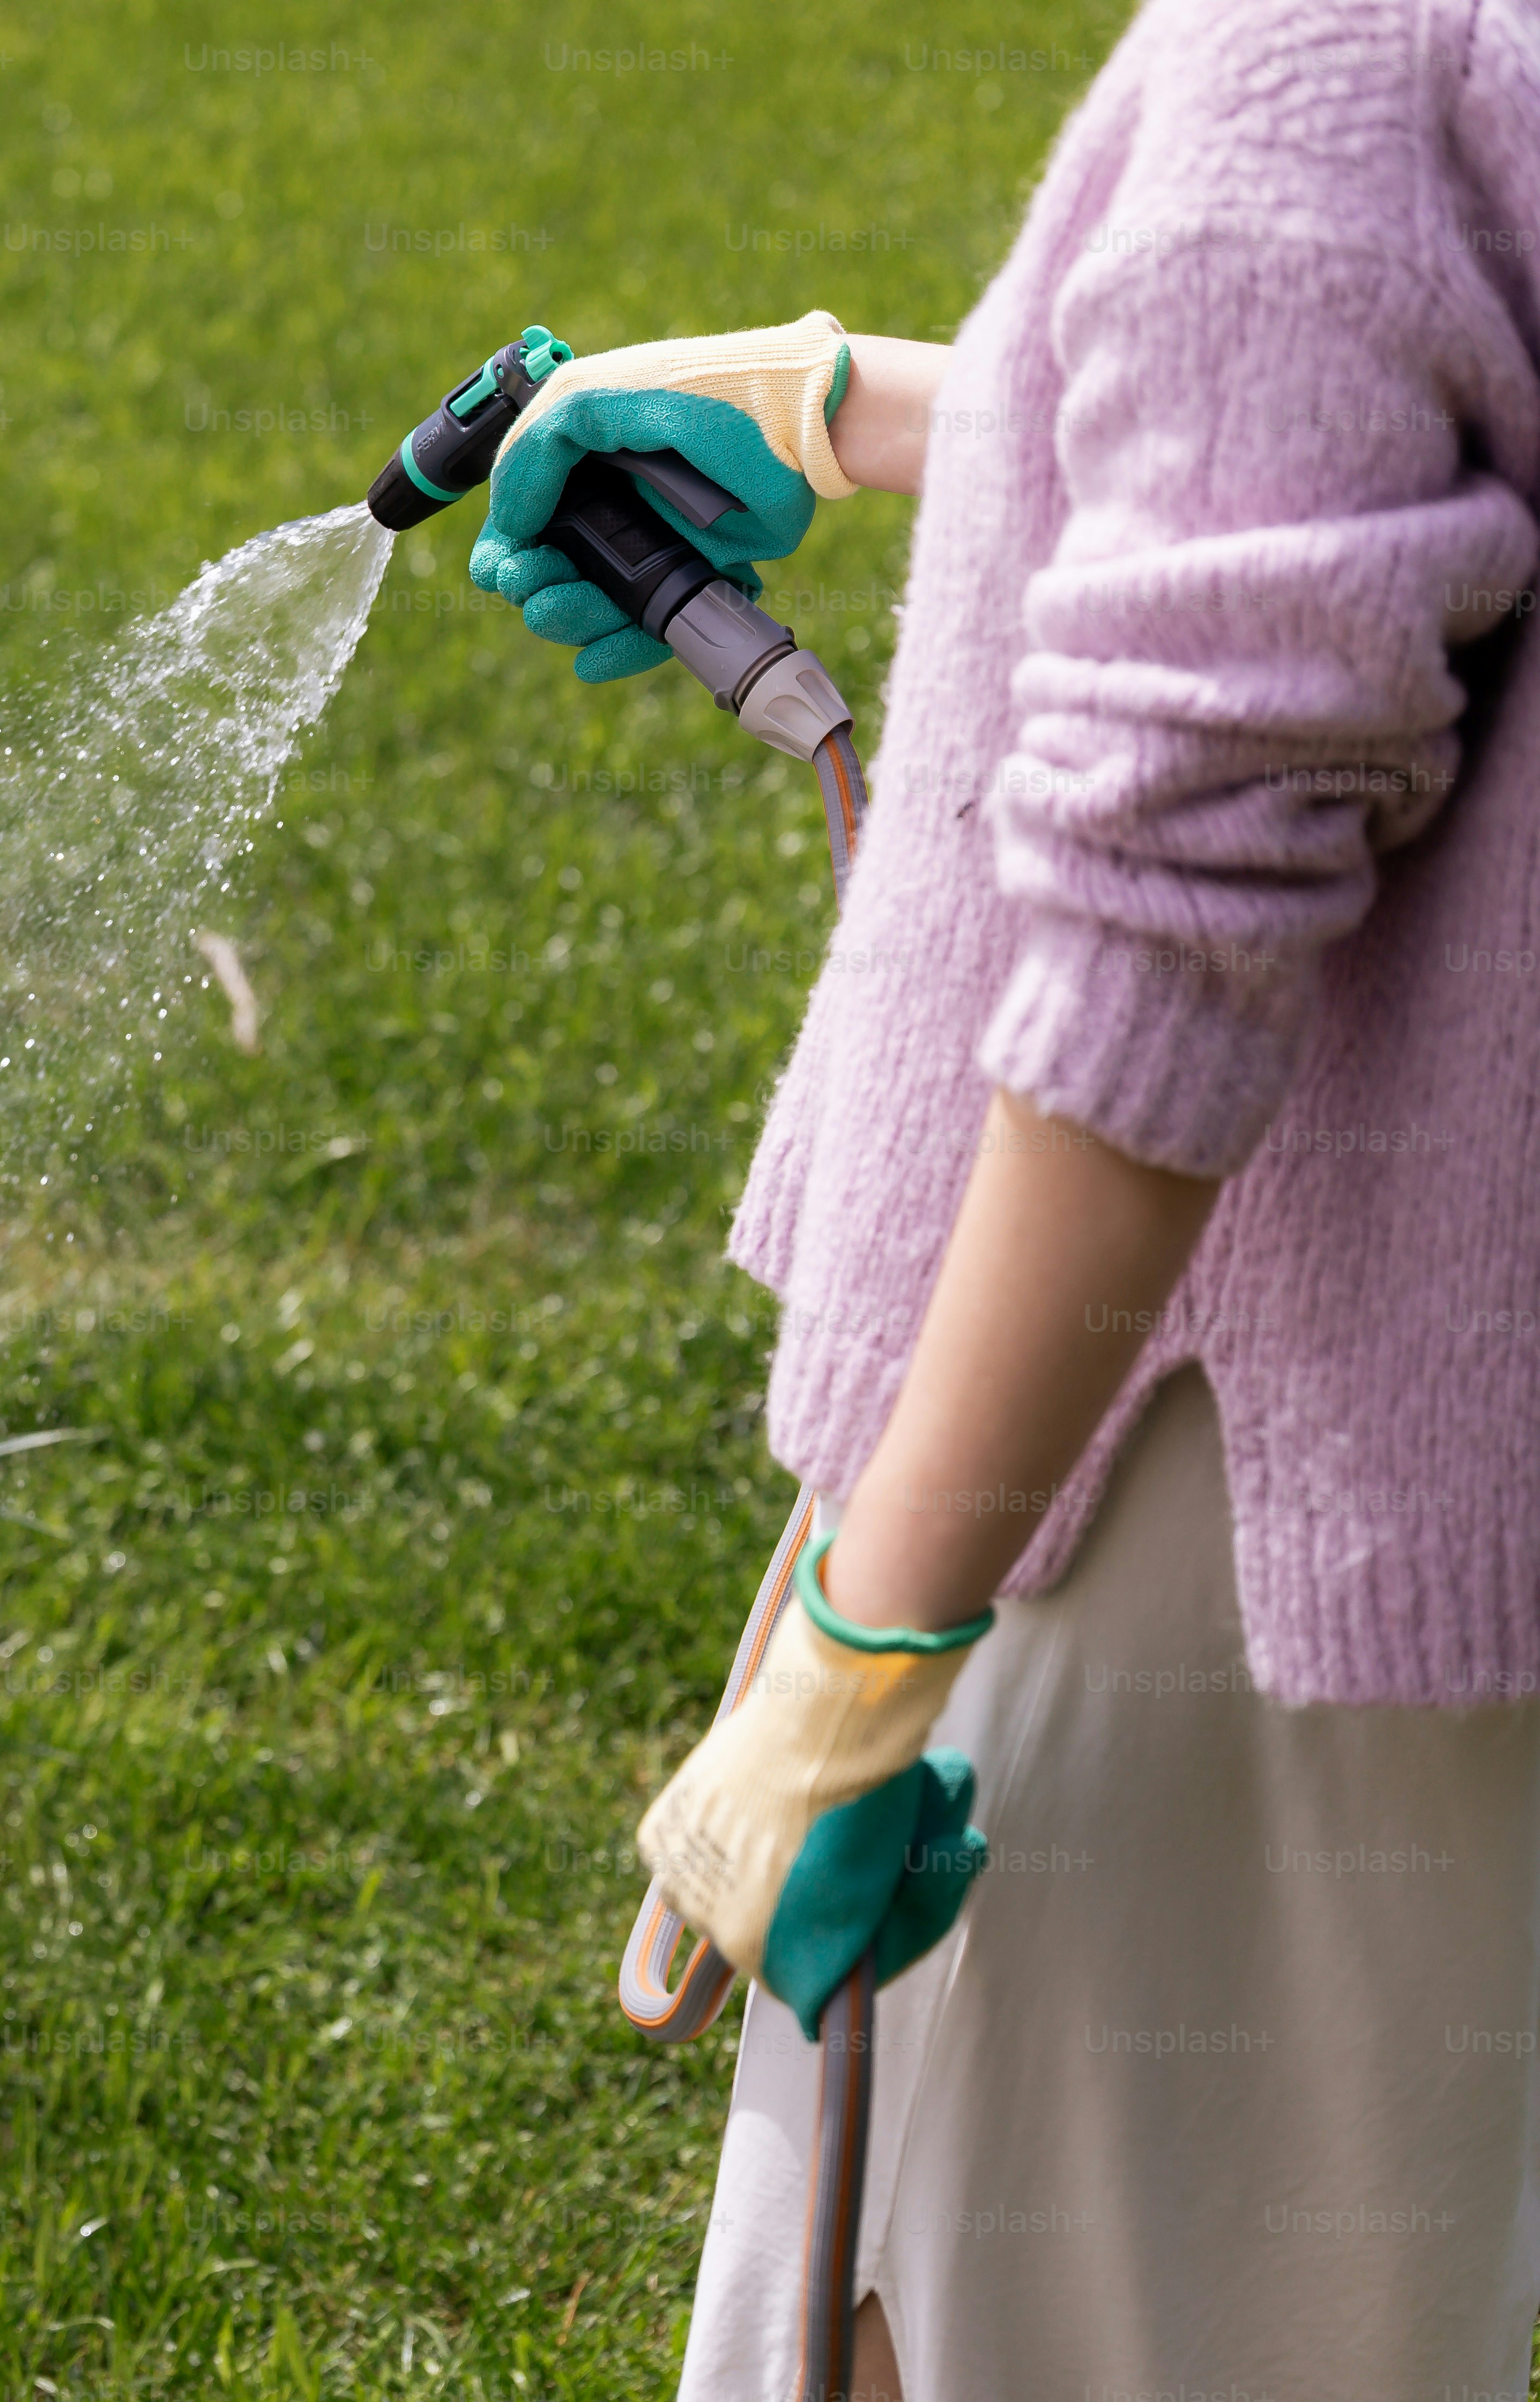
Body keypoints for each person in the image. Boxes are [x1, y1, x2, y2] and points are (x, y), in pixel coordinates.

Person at [465, 2, 1540, 2393]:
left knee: (971, 2321)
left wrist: (874, 1641)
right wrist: (856, 411)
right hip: (1432, 1495)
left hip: (1202, 1461)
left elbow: (1188, 895)